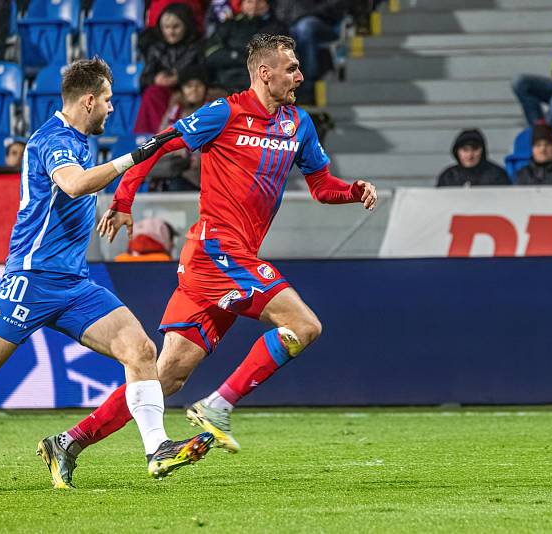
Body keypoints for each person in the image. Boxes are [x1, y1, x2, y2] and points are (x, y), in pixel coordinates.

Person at [42, 34, 378, 488]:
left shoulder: (299, 124)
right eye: (292, 68)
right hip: (218, 251)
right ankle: (218, 405)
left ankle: (69, 442)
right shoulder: (225, 113)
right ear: (265, 73)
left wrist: (351, 191)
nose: (300, 75)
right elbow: (156, 145)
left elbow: (321, 186)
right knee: (305, 326)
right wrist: (123, 200)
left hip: (221, 262)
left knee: (166, 378)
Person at [0, 57, 212, 488]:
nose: (110, 108)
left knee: (140, 351)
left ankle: (157, 448)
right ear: (88, 100)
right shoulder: (54, 140)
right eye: (106, 100)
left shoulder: (81, 141)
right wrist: (131, 158)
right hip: (31, 280)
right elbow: (74, 184)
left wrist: (120, 206)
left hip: (74, 284)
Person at [134, 3, 206, 134]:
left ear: (186, 25)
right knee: (152, 93)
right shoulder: (155, 47)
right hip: (162, 94)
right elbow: (143, 79)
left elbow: (204, 75)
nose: (171, 32)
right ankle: (150, 141)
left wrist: (179, 78)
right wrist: (156, 79)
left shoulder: (197, 46)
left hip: (188, 93)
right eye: (166, 27)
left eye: (176, 27)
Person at [274, 0, 350, 104]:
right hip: (292, 24)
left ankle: (308, 87)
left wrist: (304, 14)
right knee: (274, 34)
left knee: (305, 27)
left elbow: (335, 5)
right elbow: (281, 11)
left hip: (324, 23)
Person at [205, 0, 288, 93]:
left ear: (268, 4)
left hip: (263, 85)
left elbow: (284, 59)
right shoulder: (229, 25)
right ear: (242, 5)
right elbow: (210, 53)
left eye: (259, 2)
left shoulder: (278, 28)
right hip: (227, 84)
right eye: (249, 1)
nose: (254, 6)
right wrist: (237, 57)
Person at [436, 129, 510, 187]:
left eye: (475, 149)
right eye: (465, 150)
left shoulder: (497, 175)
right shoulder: (448, 177)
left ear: (482, 150)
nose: (470, 155)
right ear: (457, 151)